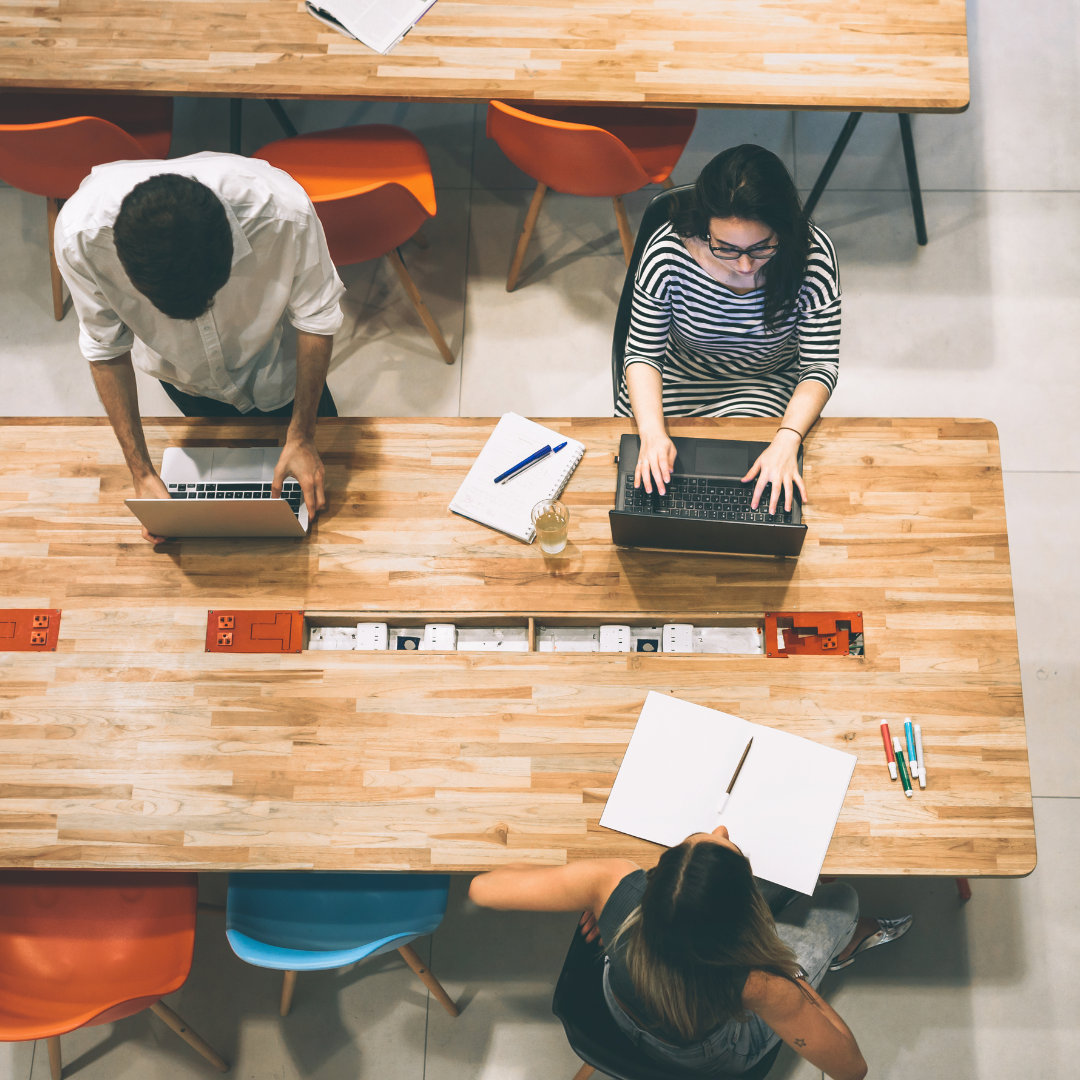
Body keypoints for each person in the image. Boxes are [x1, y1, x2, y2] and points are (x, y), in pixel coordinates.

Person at [54, 151, 346, 543]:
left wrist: (302, 437)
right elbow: (105, 349)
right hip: (184, 380)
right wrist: (141, 473)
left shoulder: (284, 214)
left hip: (279, 371)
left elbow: (317, 316)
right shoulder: (81, 238)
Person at [469, 825, 912, 1079]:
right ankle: (848, 942)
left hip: (619, 1007)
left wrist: (588, 889)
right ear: (747, 919)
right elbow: (852, 1069)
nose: (720, 827)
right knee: (843, 901)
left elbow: (481, 888)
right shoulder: (757, 984)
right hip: (709, 1055)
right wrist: (788, 976)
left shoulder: (611, 881)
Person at [617, 144, 840, 517]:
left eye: (761, 247)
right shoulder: (668, 253)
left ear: (782, 229)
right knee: (650, 497)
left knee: (755, 499)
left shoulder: (812, 257)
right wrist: (653, 433)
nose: (746, 265)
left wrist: (788, 439)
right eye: (726, 248)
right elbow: (642, 353)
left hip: (763, 384)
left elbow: (819, 366)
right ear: (704, 228)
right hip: (675, 380)